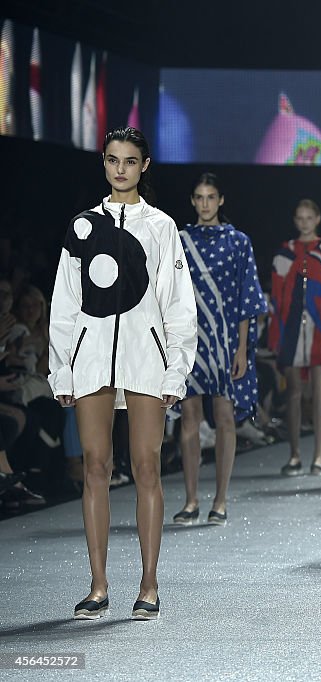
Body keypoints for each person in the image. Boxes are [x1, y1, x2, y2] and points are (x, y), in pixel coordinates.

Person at [48, 127, 198, 620]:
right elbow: (65, 303)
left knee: (147, 467)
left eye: (130, 161)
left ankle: (149, 585)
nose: (120, 169)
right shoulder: (82, 226)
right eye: (113, 160)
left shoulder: (161, 226)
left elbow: (178, 304)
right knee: (95, 467)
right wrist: (61, 370)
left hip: (145, 358)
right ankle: (97, 585)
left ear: (144, 166)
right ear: (105, 163)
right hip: (91, 359)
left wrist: (176, 370)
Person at [173, 173, 265, 526]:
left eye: (211, 197)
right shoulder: (179, 241)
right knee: (190, 419)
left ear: (221, 200)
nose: (206, 203)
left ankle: (221, 499)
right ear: (193, 201)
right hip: (189, 339)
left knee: (225, 418)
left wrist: (242, 348)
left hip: (227, 340)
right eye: (200, 197)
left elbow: (247, 297)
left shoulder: (239, 241)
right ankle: (192, 499)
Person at [270, 200, 321, 477]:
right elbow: (276, 296)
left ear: (318, 218)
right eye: (300, 217)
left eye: (309, 217)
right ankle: (294, 454)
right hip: (291, 327)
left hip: (320, 328)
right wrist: (275, 334)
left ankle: (318, 456)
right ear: (295, 220)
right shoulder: (285, 253)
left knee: (319, 389)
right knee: (293, 391)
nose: (305, 222)